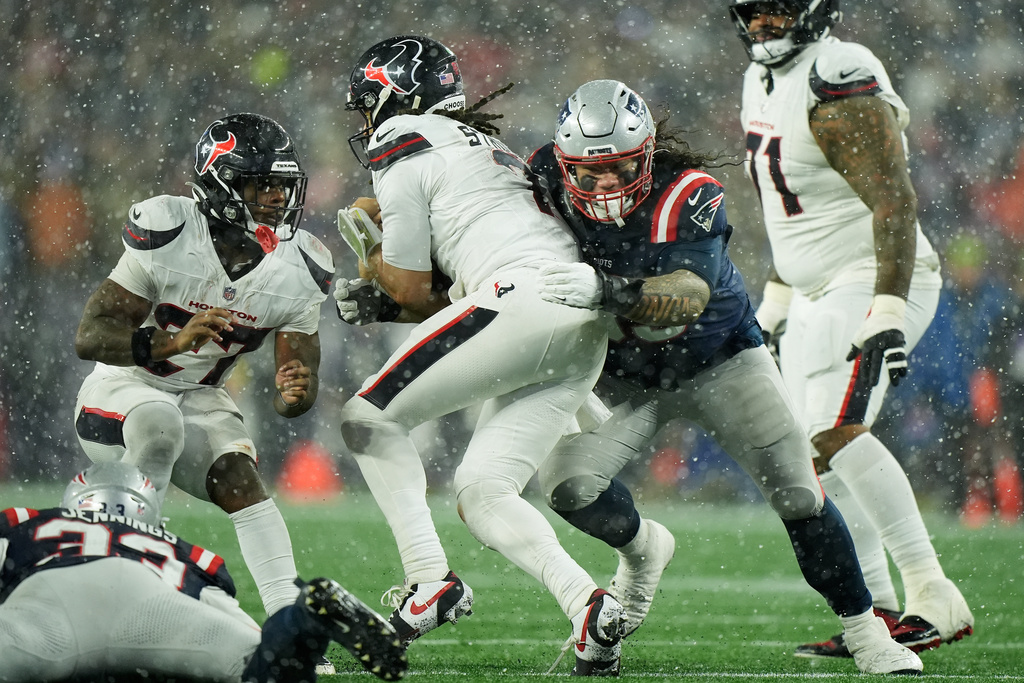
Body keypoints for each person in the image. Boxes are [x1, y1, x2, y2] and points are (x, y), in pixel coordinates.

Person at [529, 78, 923, 676]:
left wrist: (604, 289)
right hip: (624, 379)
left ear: (648, 156)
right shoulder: (540, 180)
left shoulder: (688, 192)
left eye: (619, 168)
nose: (605, 185)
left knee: (797, 493)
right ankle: (642, 553)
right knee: (567, 487)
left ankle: (866, 632)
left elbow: (686, 295)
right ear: (562, 163)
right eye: (589, 172)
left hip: (719, 360)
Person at [333, 35, 621, 676]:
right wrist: (383, 297)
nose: (363, 121)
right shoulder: (483, 147)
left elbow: (407, 287)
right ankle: (589, 608)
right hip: (576, 320)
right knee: (484, 489)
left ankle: (429, 580)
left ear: (396, 96)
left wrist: (364, 239)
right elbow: (433, 292)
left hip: (519, 302)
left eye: (367, 103)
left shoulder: (401, 138)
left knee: (366, 417)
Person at [728, 0, 974, 658]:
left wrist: (887, 309)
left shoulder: (837, 71)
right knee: (806, 457)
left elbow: (894, 196)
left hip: (872, 274)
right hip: (812, 287)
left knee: (834, 429)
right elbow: (792, 207)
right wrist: (777, 299)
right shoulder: (760, 77)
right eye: (750, 14)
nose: (761, 26)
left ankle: (932, 590)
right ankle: (881, 607)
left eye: (774, 11)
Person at [73, 113, 335, 632]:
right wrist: (169, 341)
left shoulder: (300, 266)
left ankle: (287, 625)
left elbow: (294, 385)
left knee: (242, 480)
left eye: (282, 186)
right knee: (157, 422)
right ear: (219, 183)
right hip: (124, 388)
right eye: (261, 185)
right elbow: (91, 336)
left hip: (201, 396)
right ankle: (127, 592)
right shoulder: (169, 231)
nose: (276, 199)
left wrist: (295, 391)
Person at [0, 461, 406, 683]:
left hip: (50, 599)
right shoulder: (177, 547)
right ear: (146, 511)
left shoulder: (31, 520)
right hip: (151, 604)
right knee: (261, 668)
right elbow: (225, 614)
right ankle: (303, 620)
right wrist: (270, 648)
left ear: (75, 502)